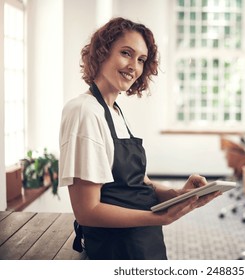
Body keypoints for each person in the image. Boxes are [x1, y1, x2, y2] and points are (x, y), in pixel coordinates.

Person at [59, 17, 221, 260]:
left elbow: (138, 183)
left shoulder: (115, 111)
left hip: (143, 242)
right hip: (116, 249)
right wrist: (158, 217)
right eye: (126, 53)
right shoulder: (84, 111)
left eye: (141, 60)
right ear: (102, 53)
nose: (134, 66)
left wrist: (178, 194)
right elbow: (87, 211)